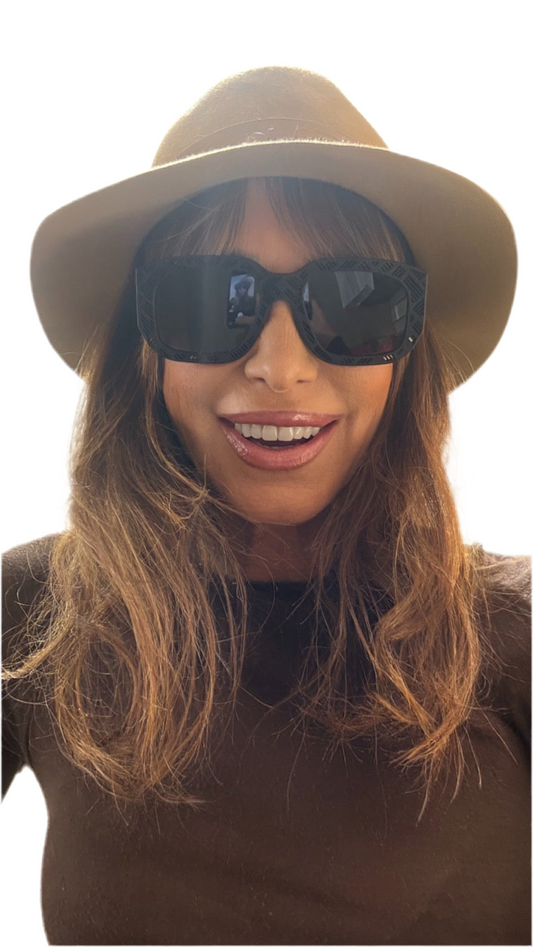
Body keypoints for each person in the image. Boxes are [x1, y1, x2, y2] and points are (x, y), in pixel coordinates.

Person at [2, 66, 530, 946]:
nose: (280, 368)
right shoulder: (37, 617)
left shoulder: (513, 632)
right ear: (142, 352)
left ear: (406, 359)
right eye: (212, 301)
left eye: (353, 301)